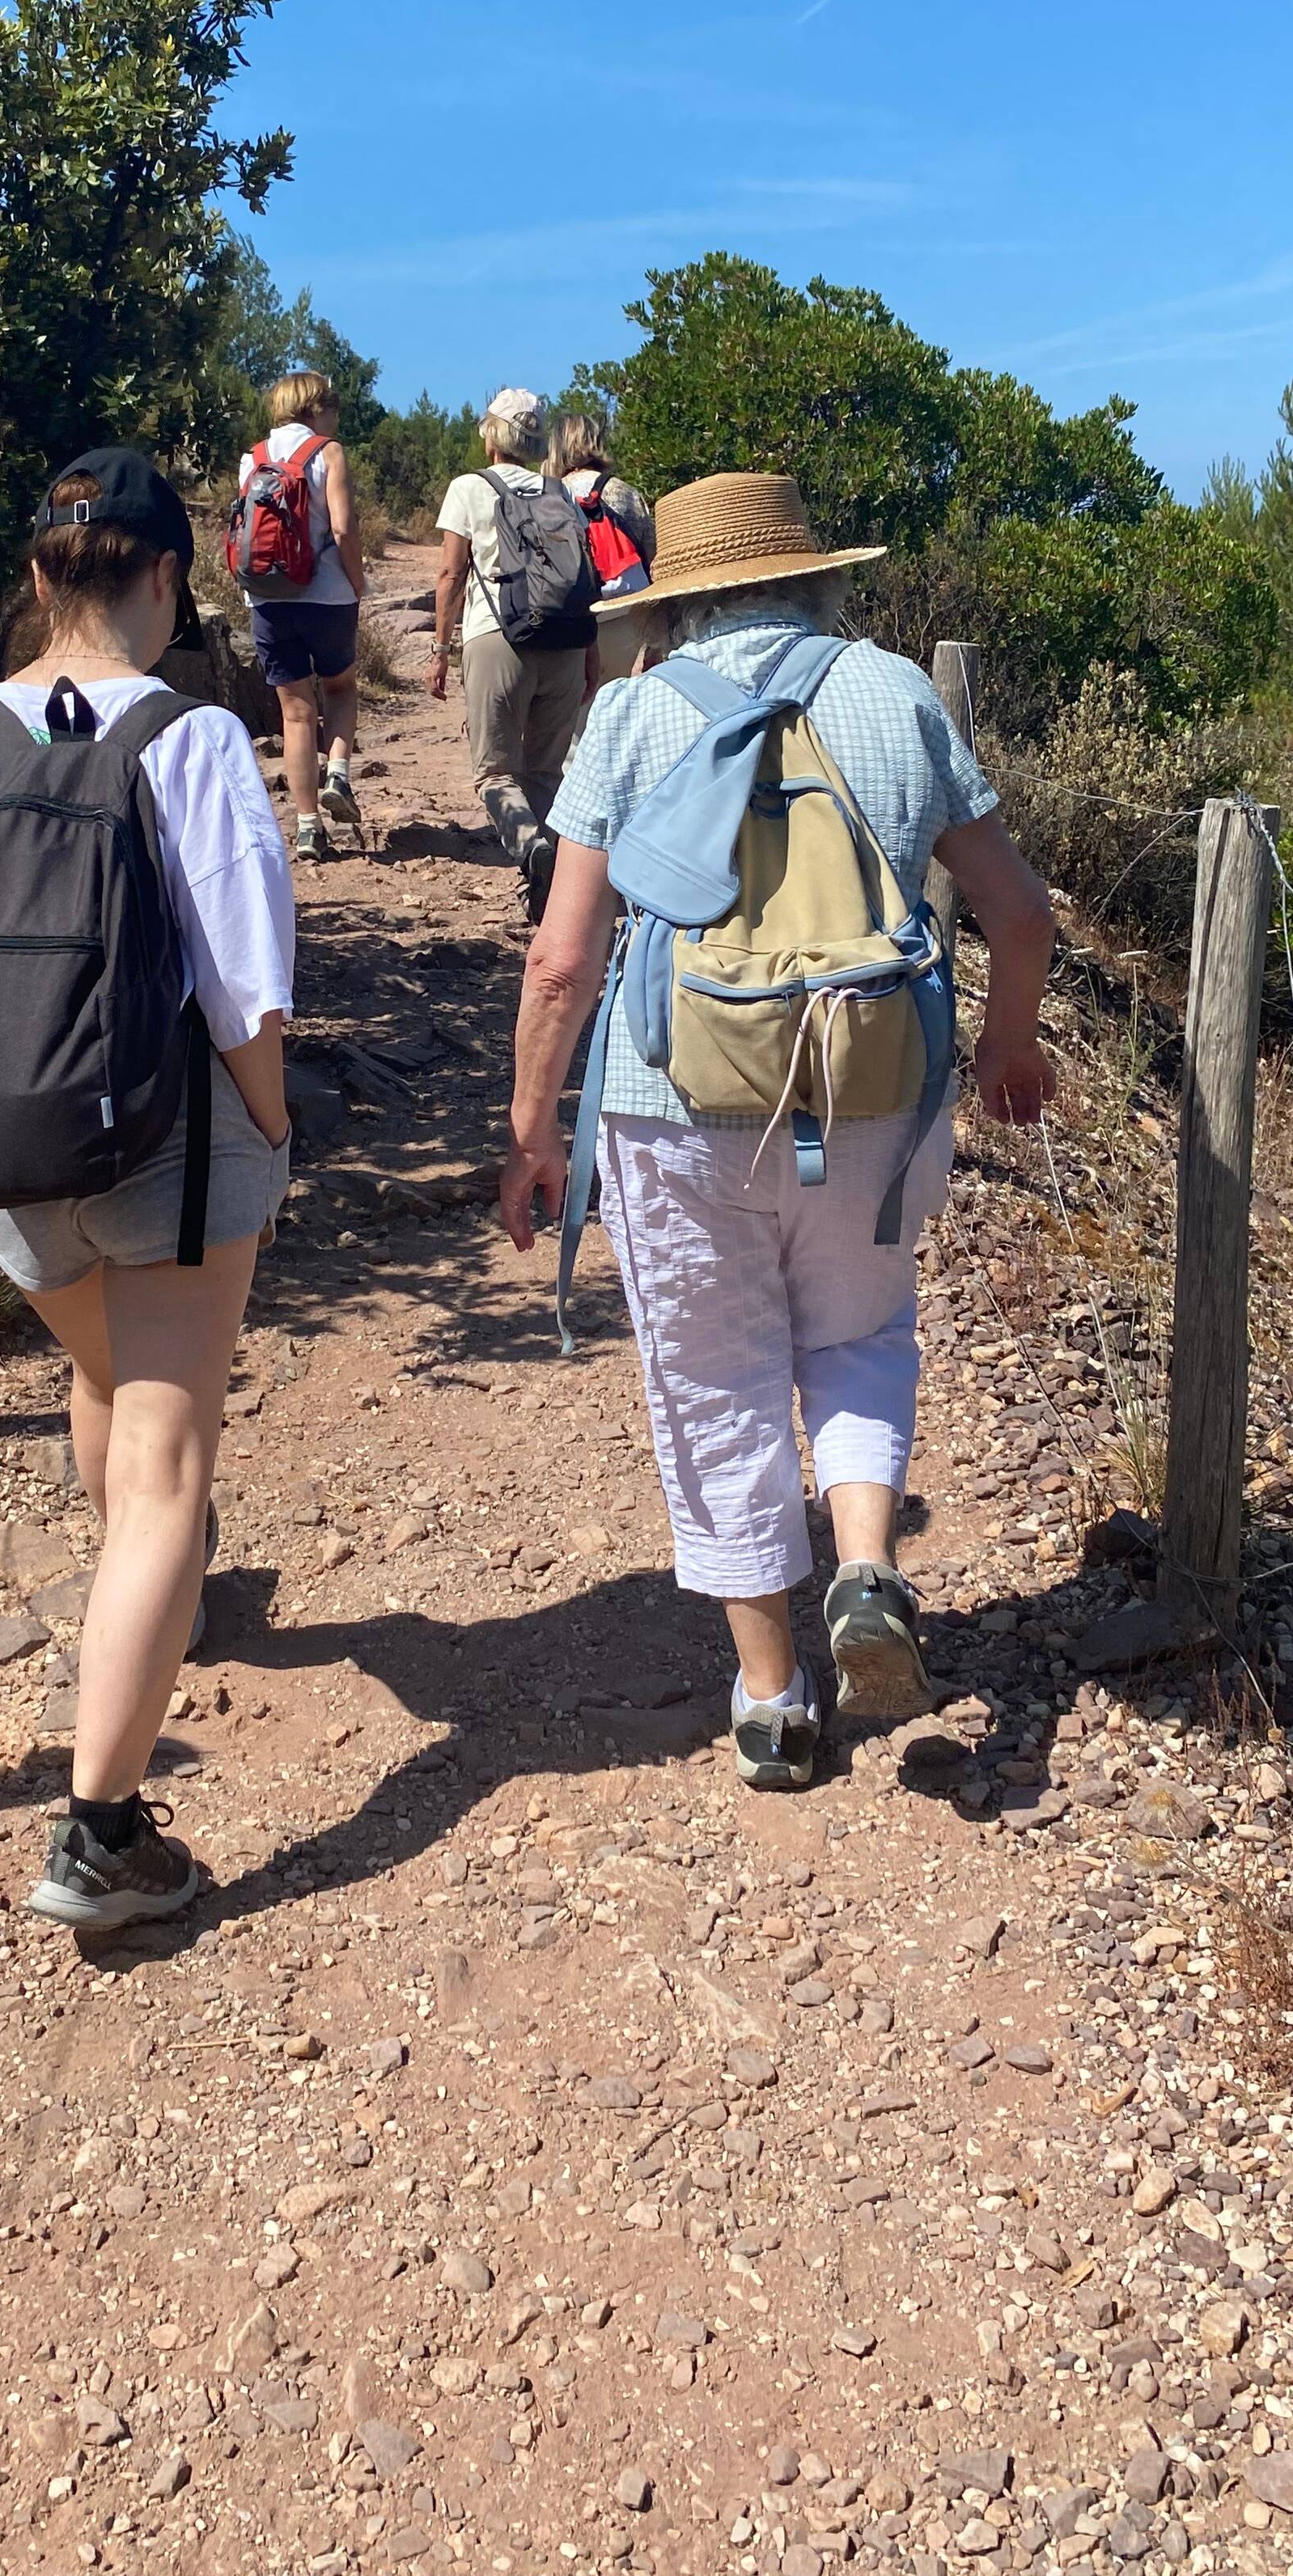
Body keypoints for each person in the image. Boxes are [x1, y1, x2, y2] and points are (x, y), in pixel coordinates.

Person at [496, 473, 1060, 1794]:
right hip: (872, 1085)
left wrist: (531, 1126)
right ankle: (862, 1565)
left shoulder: (629, 710)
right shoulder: (892, 692)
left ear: (676, 598)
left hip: (671, 1104)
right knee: (858, 1334)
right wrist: (1005, 1045)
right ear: (814, 576)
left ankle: (771, 1701)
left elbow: (560, 961)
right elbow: (1018, 913)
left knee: (715, 1383)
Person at [0, 449, 295, 1930]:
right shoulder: (195, 737)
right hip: (164, 1147)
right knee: (169, 1466)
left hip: (0, 1154)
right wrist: (268, 1131)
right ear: (167, 575)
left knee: (100, 1378)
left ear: (39, 576)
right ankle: (100, 1832)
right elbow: (244, 987)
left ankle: (142, 1610)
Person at [430, 386, 588, 917]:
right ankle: (546, 892)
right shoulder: (559, 493)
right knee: (546, 772)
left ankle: (529, 850)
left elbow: (452, 573)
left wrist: (439, 648)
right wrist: (587, 656)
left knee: (496, 772)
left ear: (493, 433)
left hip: (498, 637)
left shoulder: (469, 489)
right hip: (566, 641)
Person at [234, 368, 365, 864]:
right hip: (326, 594)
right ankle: (338, 772)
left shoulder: (253, 457)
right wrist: (357, 582)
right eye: (331, 406)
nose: (334, 415)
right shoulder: (328, 452)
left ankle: (308, 828)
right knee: (340, 687)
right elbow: (344, 527)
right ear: (315, 408)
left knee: (295, 713)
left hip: (267, 595)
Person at [547, 409, 656, 688]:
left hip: (574, 619)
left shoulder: (550, 494)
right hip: (628, 616)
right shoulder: (624, 491)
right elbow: (652, 555)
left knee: (577, 716)